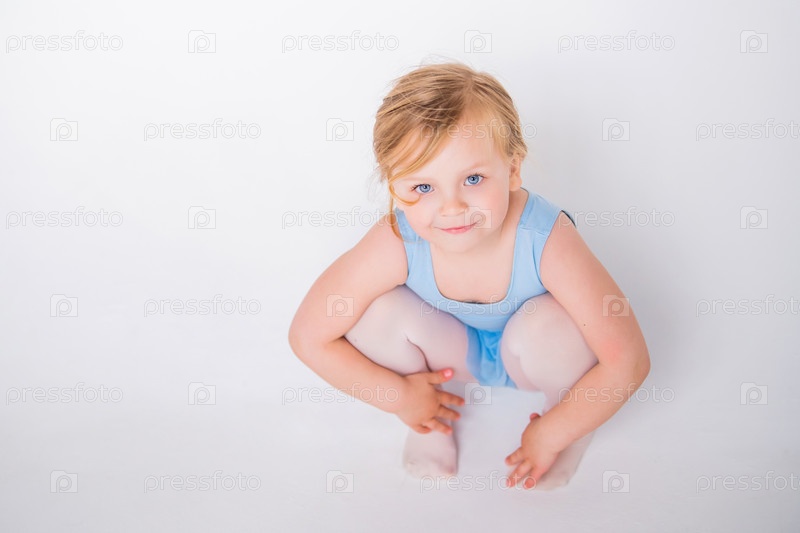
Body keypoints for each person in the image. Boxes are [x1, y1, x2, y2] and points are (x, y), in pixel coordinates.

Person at [288, 60, 650, 490]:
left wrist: (552, 432)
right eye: (423, 187)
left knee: (550, 324)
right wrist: (401, 397)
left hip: (535, 355)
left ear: (512, 169)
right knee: (377, 313)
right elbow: (309, 336)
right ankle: (433, 417)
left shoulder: (545, 237)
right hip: (453, 355)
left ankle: (569, 419)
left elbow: (628, 360)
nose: (452, 208)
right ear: (394, 186)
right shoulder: (397, 241)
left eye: (473, 178)